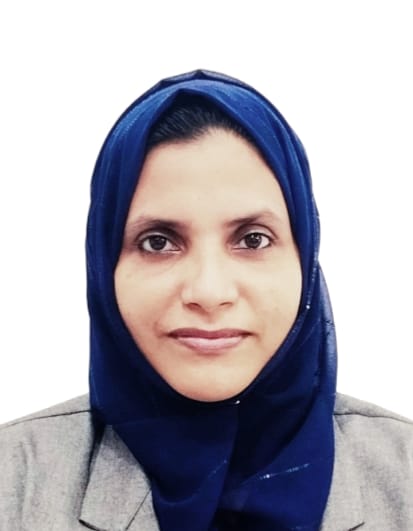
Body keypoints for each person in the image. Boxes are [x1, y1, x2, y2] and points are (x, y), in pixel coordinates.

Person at [0, 70, 412, 531]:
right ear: (103, 263)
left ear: (305, 256)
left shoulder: (404, 475)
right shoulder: (15, 481)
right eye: (158, 242)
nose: (209, 292)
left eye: (253, 239)